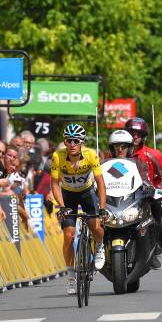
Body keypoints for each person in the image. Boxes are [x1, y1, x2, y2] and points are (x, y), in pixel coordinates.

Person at [51, 124, 107, 295]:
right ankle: (70, 276)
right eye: (69, 140)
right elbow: (55, 184)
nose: (72, 144)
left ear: (81, 142)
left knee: (95, 227)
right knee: (68, 235)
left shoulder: (90, 155)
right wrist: (61, 207)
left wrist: (102, 208)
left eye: (76, 141)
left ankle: (99, 247)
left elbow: (101, 183)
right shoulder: (57, 157)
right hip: (68, 195)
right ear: (65, 142)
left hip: (87, 193)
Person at [107, 129, 162, 270]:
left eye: (124, 146)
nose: (120, 149)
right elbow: (97, 179)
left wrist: (149, 186)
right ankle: (94, 252)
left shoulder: (138, 163)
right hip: (111, 201)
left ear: (130, 148)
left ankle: (154, 247)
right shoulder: (104, 163)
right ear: (111, 148)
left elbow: (145, 178)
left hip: (132, 200)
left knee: (153, 209)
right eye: (116, 146)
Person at [124, 118, 162, 189]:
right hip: (122, 195)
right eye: (132, 133)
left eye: (139, 133)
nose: (135, 136)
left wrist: (154, 191)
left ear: (143, 135)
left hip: (145, 196)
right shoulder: (117, 153)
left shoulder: (153, 154)